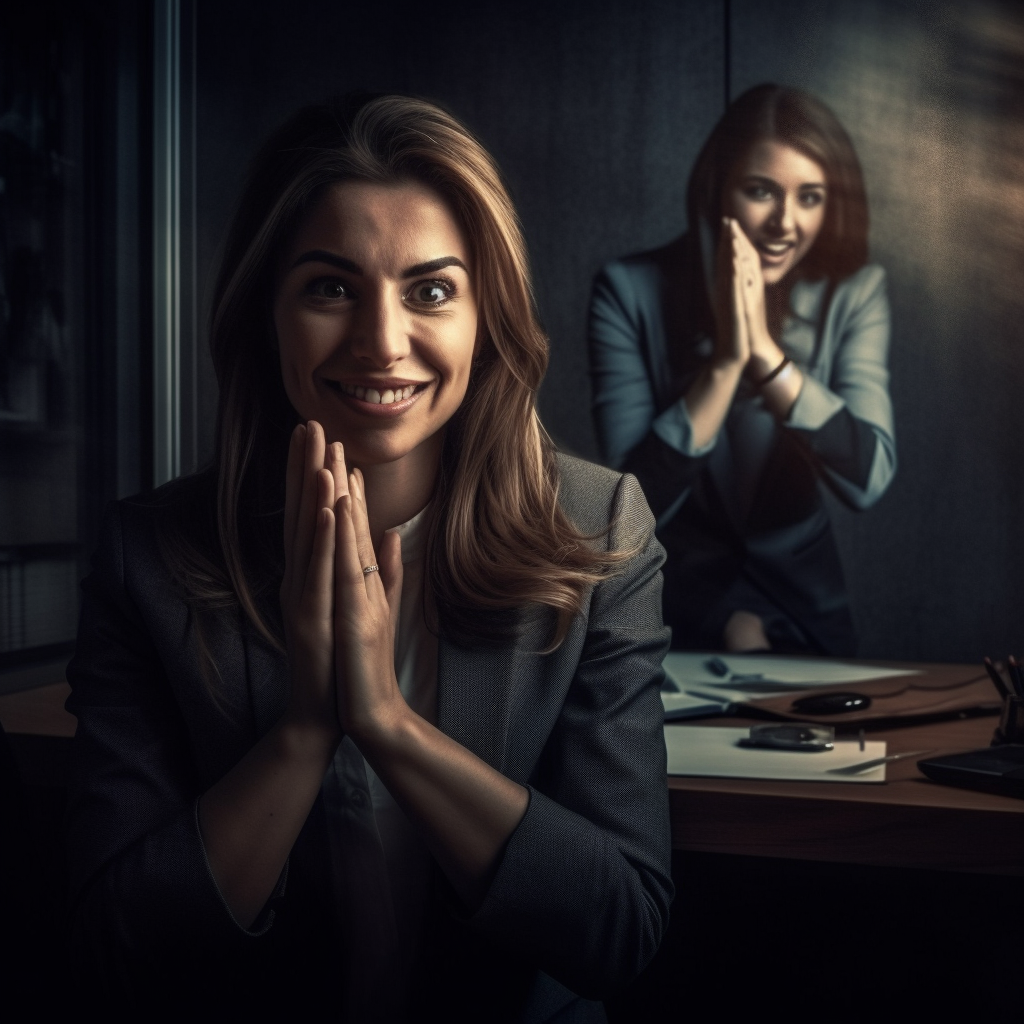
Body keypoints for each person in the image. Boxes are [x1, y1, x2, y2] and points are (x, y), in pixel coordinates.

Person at [65, 95, 672, 1022]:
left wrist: (387, 724)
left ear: (487, 315)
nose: (382, 342)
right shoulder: (146, 559)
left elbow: (618, 929)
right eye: (331, 287)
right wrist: (306, 732)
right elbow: (118, 943)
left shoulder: (601, 533)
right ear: (266, 310)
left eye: (430, 290)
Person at [588, 84, 896, 656]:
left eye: (810, 197)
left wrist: (766, 358)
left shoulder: (855, 293)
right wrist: (728, 362)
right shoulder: (628, 290)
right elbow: (626, 508)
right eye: (762, 191)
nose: (785, 222)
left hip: (810, 619)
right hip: (670, 617)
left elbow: (869, 476)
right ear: (718, 193)